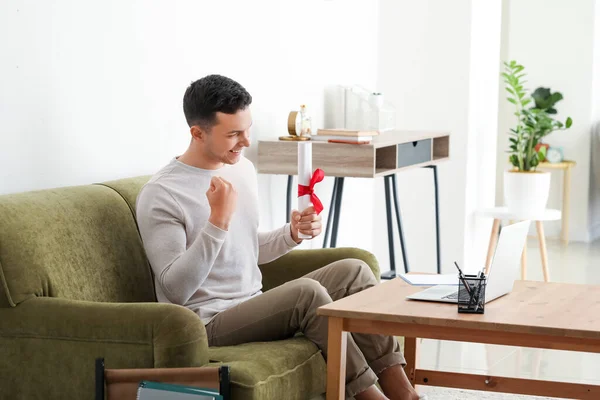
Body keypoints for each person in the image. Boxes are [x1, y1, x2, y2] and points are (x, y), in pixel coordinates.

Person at [136, 74, 425, 400]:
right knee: (307, 294)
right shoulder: (162, 193)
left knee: (353, 270)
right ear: (197, 133)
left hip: (251, 302)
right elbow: (175, 289)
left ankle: (405, 394)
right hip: (207, 322)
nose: (245, 142)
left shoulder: (240, 168)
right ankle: (368, 397)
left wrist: (291, 234)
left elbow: (244, 249)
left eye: (248, 129)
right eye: (233, 134)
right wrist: (217, 222)